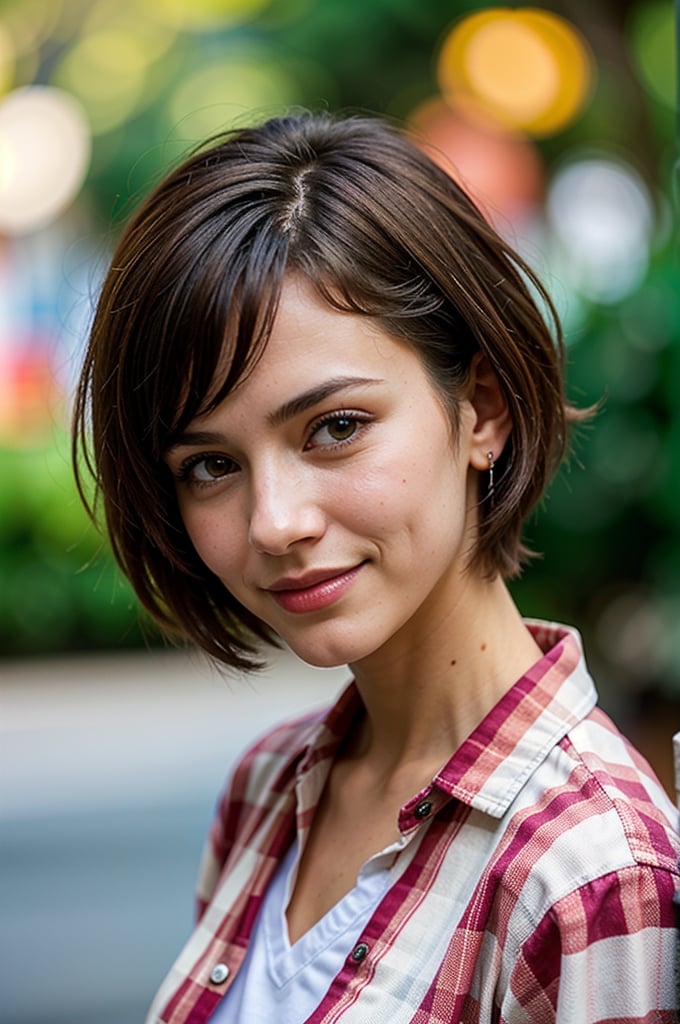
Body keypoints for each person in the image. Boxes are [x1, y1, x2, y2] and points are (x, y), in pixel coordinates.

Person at [72, 110, 680, 1023]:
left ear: (481, 408)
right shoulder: (268, 788)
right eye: (211, 465)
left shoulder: (593, 874)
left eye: (335, 428)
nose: (276, 522)